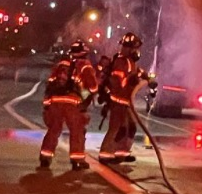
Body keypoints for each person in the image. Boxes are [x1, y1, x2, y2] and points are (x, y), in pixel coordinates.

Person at [39, 40, 99, 170]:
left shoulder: (61, 64)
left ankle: (45, 157)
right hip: (72, 102)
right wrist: (86, 98)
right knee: (77, 131)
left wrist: (47, 104)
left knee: (53, 130)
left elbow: (50, 83)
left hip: (55, 100)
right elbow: (93, 87)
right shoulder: (85, 65)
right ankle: (77, 160)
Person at [98, 32, 146, 164]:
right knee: (116, 128)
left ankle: (122, 152)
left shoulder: (130, 62)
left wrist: (147, 78)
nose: (137, 51)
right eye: (134, 48)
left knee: (130, 127)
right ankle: (105, 154)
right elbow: (117, 81)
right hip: (118, 101)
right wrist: (131, 81)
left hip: (126, 101)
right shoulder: (121, 61)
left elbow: (137, 73)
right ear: (128, 48)